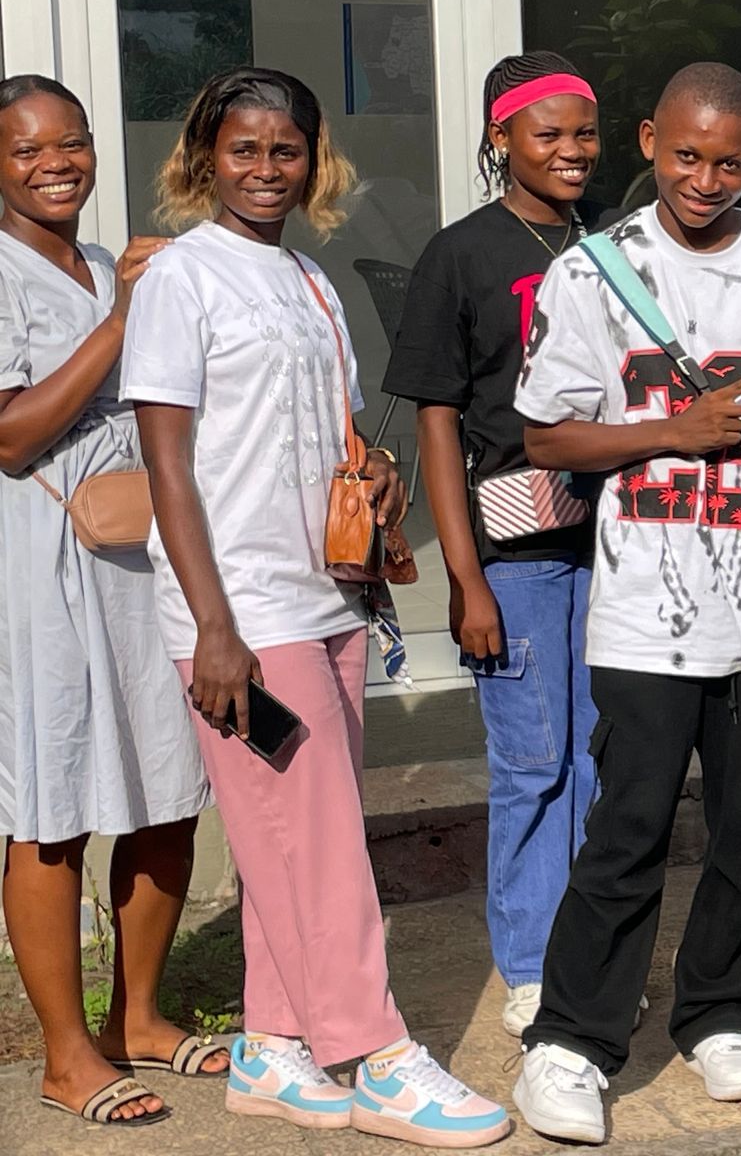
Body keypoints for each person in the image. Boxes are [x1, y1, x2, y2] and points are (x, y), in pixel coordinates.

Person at [124, 67, 509, 1146]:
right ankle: (375, 1055)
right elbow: (167, 464)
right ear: (205, 158)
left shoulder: (309, 279)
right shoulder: (180, 280)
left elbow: (317, 429)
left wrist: (373, 470)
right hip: (243, 613)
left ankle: (273, 1046)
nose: (264, 169)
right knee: (324, 841)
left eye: (284, 150)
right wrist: (213, 626)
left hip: (328, 599)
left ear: (313, 159)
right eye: (242, 149)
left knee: (292, 838)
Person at [509, 62, 741, 1141]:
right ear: (648, 144)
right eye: (685, 156)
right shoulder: (592, 274)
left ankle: (718, 1010)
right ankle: (571, 1041)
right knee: (628, 830)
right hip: (641, 616)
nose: (705, 179)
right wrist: (674, 430)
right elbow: (545, 437)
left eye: (729, 162)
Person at [0, 75, 215, 1129]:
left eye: (72, 143)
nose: (56, 164)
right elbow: (10, 435)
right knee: (52, 808)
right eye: (28, 150)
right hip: (42, 567)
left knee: (168, 789)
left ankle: (138, 1017)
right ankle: (65, 1053)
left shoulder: (105, 260)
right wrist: (126, 320)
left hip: (144, 559)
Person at [383, 52, 607, 1039]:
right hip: (515, 554)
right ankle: (531, 966)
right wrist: (463, 577)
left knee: (600, 759)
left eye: (584, 133)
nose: (570, 151)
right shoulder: (462, 254)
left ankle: (589, 958)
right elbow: (437, 421)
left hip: (618, 544)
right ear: (501, 138)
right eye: (547, 133)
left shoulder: (613, 241)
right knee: (533, 759)